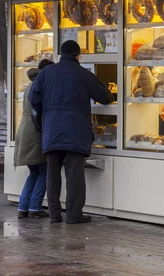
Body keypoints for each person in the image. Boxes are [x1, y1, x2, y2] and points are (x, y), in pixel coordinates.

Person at [29, 40, 114, 224]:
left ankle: (54, 215)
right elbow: (105, 96)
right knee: (74, 174)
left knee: (52, 174)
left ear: (60, 54)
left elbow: (33, 98)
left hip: (51, 130)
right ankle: (74, 215)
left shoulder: (45, 74)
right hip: (75, 130)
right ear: (78, 56)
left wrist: (46, 115)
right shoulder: (83, 74)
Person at [14, 58, 55, 219]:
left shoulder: (31, 84)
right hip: (36, 131)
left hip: (25, 129)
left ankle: (23, 207)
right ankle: (35, 207)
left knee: (34, 172)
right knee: (44, 170)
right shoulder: (42, 85)